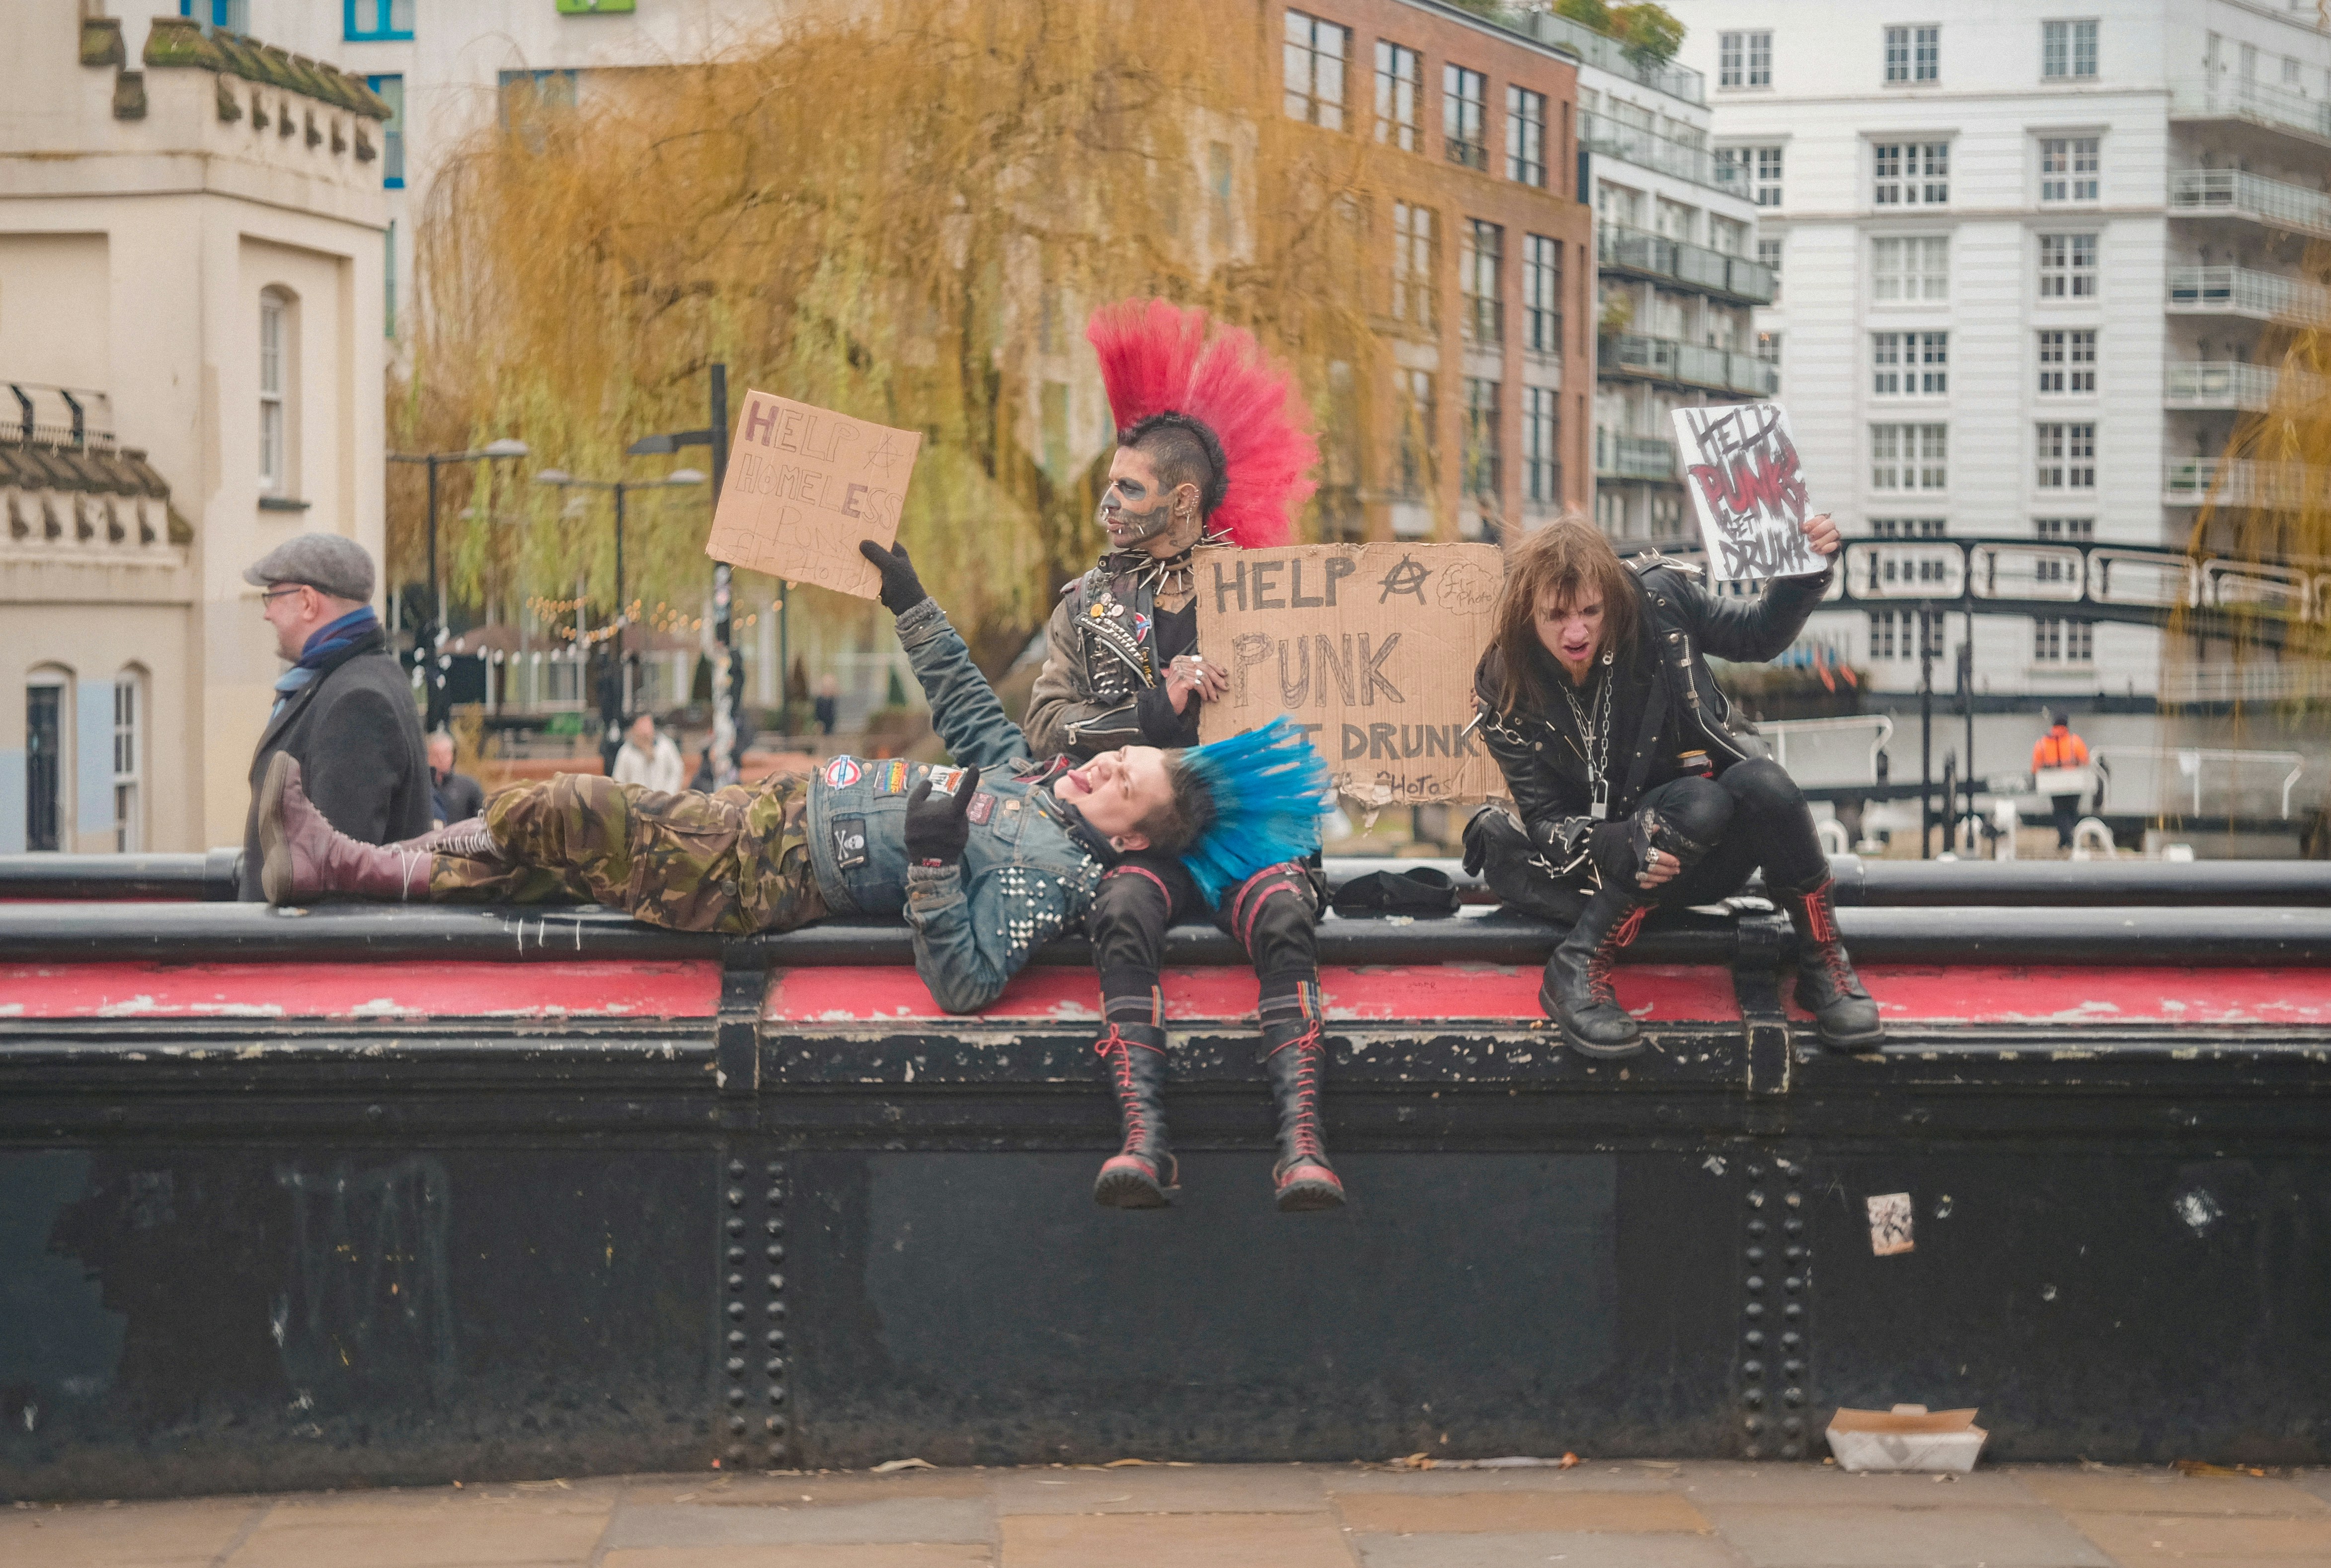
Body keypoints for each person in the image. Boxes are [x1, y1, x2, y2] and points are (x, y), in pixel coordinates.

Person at [254, 541, 1327, 1019]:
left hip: (764, 873)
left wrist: (940, 859)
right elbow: (964, 702)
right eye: (1117, 757)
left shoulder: (1055, 871)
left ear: (1132, 840)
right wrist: (911, 601)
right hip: (764, 817)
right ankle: (339, 867)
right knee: (540, 868)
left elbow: (963, 981)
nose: (1097, 769)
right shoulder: (1040, 786)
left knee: (551, 810)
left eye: (1118, 785)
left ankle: (344, 863)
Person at [1022, 300, 1341, 1214]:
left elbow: (1320, 720)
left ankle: (1304, 1143)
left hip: (1243, 832)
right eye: (1107, 484)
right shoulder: (1084, 604)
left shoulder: (1267, 592)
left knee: (1283, 918)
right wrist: (1151, 711)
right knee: (1119, 912)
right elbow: (1045, 730)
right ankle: (1143, 1138)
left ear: (1181, 502)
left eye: (1125, 489)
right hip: (1139, 843)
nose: (1104, 504)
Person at [1464, 516, 1882, 1057]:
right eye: (1556, 616)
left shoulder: (1660, 600)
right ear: (1529, 612)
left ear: (1612, 598)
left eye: (1592, 611)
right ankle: (1580, 963)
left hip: (1700, 854)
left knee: (1763, 785)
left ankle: (1823, 959)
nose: (1576, 632)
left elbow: (1755, 634)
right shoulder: (1504, 684)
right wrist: (1614, 843)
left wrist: (1802, 574)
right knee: (1701, 801)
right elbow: (1543, 819)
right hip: (1599, 877)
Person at [237, 533, 429, 901]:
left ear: (308, 602)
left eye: (273, 596)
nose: (267, 612)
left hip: (308, 954)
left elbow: (335, 875)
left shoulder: (356, 702)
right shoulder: (364, 677)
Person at [2032, 714, 2090, 851]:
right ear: (2066, 726)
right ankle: (2068, 839)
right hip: (2074, 782)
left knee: (2060, 813)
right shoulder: (2075, 741)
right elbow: (2085, 761)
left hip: (2054, 783)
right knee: (2072, 812)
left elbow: (2035, 767)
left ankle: (2065, 839)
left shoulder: (2042, 743)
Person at [612, 712, 686, 793]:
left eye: (647, 736)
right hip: (636, 802)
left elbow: (677, 771)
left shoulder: (665, 746)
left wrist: (669, 794)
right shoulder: (626, 752)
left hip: (663, 800)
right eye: (642, 736)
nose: (645, 740)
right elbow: (619, 780)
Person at [427, 732, 486, 828]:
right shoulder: (421, 789)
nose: (441, 759)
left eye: (446, 754)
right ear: (428, 757)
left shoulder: (469, 787)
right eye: (436, 755)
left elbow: (482, 821)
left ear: (452, 755)